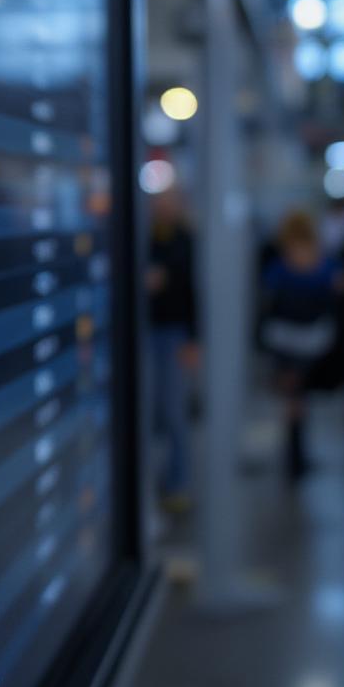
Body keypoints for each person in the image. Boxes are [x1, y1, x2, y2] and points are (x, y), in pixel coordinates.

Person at [260, 210, 344, 480]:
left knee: (296, 400)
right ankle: (295, 459)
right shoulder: (314, 264)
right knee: (296, 401)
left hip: (295, 339)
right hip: (296, 339)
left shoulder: (285, 264)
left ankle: (296, 457)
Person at [146, 188, 199, 512]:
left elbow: (192, 291)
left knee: (175, 411)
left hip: (175, 334)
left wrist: (194, 339)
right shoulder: (146, 239)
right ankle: (156, 484)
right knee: (152, 410)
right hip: (150, 333)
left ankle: (178, 482)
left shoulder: (185, 240)